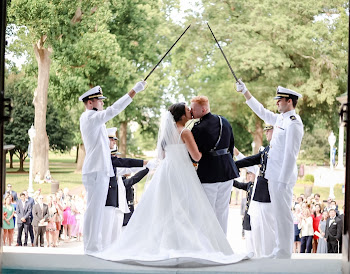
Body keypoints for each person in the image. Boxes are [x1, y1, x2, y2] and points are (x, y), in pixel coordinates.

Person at [88, 102, 251, 266]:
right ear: (181, 115)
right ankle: (183, 244)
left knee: (165, 208)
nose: (190, 112)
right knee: (185, 208)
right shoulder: (185, 132)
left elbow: (162, 155)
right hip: (182, 171)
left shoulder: (167, 133)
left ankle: (165, 242)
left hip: (166, 171)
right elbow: (196, 157)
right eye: (188, 110)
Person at [236, 80, 305, 259]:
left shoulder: (293, 123)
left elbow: (290, 154)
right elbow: (262, 112)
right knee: (278, 214)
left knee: (283, 215)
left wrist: (282, 180)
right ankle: (279, 249)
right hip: (273, 175)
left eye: (280, 100)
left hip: (282, 177)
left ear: (289, 101)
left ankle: (284, 252)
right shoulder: (281, 119)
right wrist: (246, 92)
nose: (277, 103)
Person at [78, 81, 146, 254]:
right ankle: (91, 247)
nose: (102, 102)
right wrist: (133, 91)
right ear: (90, 102)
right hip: (95, 170)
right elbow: (114, 110)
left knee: (96, 210)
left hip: (99, 170)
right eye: (99, 100)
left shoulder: (96, 121)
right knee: (94, 210)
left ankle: (94, 245)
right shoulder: (90, 117)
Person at [189, 95, 239, 235]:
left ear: (203, 109)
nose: (190, 111)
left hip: (209, 172)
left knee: (206, 211)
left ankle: (209, 246)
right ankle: (222, 244)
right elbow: (231, 145)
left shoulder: (197, 128)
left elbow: (194, 154)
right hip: (228, 170)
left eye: (193, 109)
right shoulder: (224, 120)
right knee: (222, 211)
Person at [234, 124, 276, 258]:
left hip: (267, 196)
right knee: (257, 230)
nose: (267, 133)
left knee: (267, 231)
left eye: (269, 131)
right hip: (257, 199)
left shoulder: (277, 149)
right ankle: (260, 257)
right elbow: (250, 160)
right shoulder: (268, 150)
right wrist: (231, 165)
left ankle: (267, 257)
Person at [102, 127, 148, 248]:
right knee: (107, 235)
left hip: (118, 205)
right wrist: (145, 165)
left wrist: (147, 167)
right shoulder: (105, 158)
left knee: (115, 238)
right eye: (111, 139)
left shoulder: (116, 169)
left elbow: (129, 169)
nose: (114, 142)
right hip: (108, 202)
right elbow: (126, 166)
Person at [230, 166, 257, 254]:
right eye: (248, 174)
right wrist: (229, 178)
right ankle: (250, 253)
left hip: (256, 215)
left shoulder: (258, 186)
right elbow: (239, 185)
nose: (249, 176)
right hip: (248, 215)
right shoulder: (250, 185)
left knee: (255, 238)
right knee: (248, 237)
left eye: (251, 174)